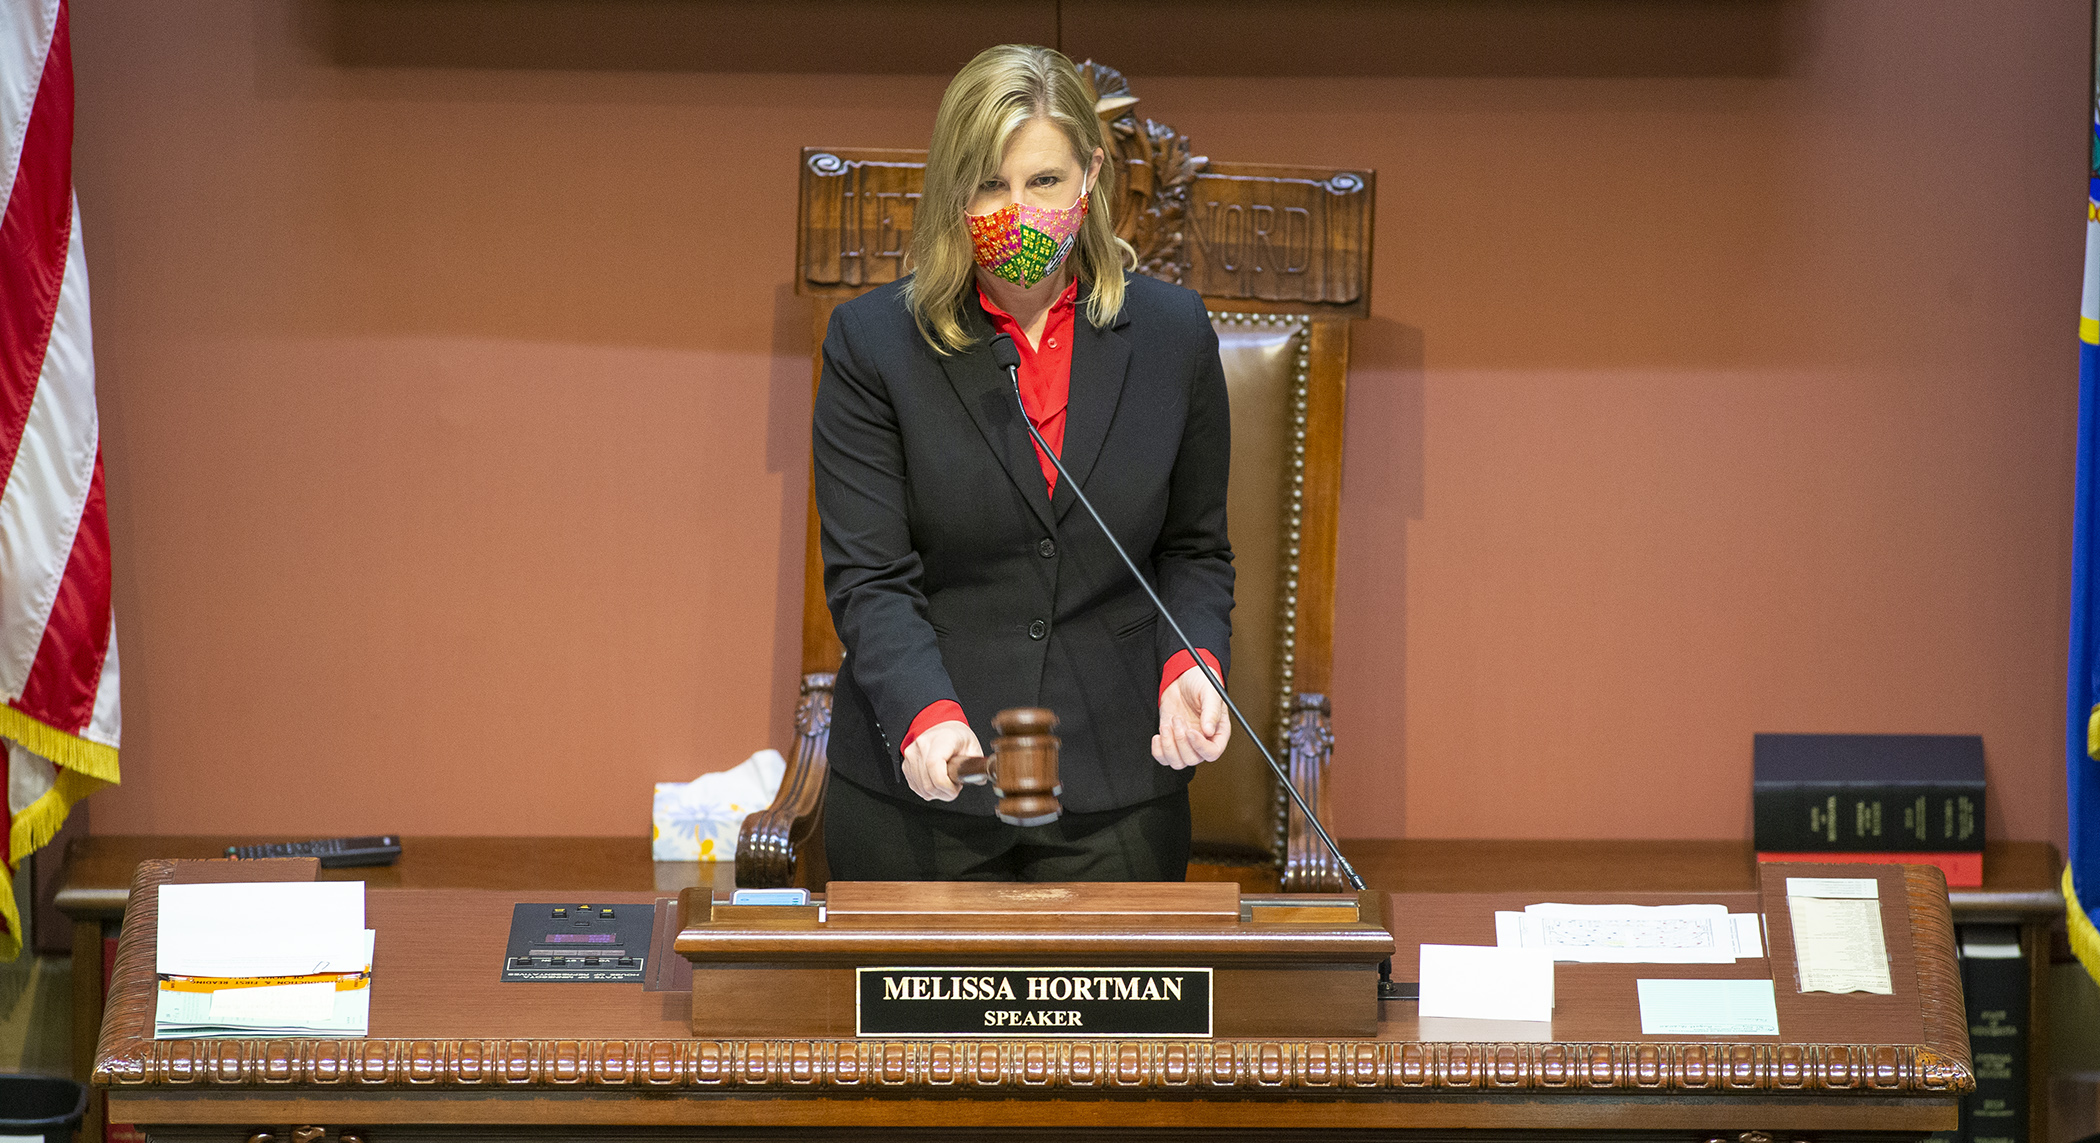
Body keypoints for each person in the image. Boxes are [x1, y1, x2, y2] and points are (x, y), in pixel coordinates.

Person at [813, 43, 1234, 881]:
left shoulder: (1174, 335)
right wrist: (925, 712)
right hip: (925, 789)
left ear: (1090, 179)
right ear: (952, 193)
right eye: (989, 185)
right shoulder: (872, 345)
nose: (1018, 209)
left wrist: (1193, 661)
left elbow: (1192, 549)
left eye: (1043, 181)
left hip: (1117, 788)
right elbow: (870, 574)